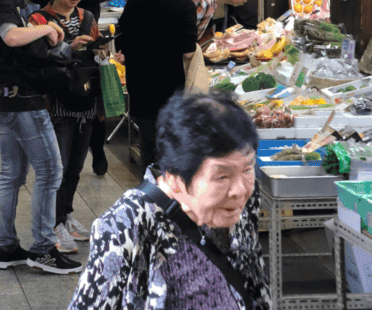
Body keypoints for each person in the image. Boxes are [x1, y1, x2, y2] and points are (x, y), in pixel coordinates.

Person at [68, 91, 270, 310]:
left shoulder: (241, 202)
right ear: (175, 179)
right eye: (222, 176)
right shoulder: (126, 225)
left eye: (247, 169)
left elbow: (253, 281)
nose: (240, 190)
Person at [0, 0, 82, 275]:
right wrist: (48, 28)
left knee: (11, 175)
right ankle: (43, 249)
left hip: (2, 98)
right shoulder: (1, 2)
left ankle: (7, 248)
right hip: (21, 99)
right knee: (50, 171)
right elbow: (10, 37)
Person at [26, 0, 115, 175]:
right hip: (51, 25)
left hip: (87, 24)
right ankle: (60, 154)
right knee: (59, 88)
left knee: (90, 86)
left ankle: (96, 147)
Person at [29, 0, 101, 254]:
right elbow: (36, 57)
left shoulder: (88, 17)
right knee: (55, 167)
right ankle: (53, 223)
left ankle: (65, 215)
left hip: (84, 100)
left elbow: (97, 51)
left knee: (75, 166)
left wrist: (105, 53)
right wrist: (69, 48)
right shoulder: (39, 19)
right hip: (56, 101)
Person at [116, 0, 198, 172]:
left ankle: (149, 191)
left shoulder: (134, 2)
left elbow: (123, 44)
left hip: (141, 89)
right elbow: (188, 51)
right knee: (171, 155)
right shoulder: (184, 5)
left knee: (149, 148)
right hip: (171, 92)